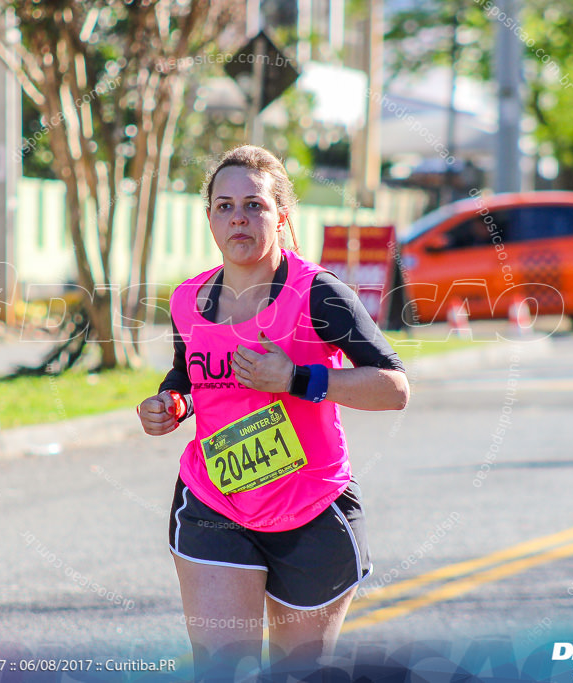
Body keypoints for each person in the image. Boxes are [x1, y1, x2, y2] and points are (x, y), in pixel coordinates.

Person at [137, 146, 410, 679]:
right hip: (214, 503)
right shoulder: (187, 301)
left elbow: (394, 387)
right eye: (224, 205)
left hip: (310, 510)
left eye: (254, 205)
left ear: (281, 215)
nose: (238, 216)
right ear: (210, 217)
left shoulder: (317, 293)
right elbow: (189, 376)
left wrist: (296, 379)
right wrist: (170, 403)